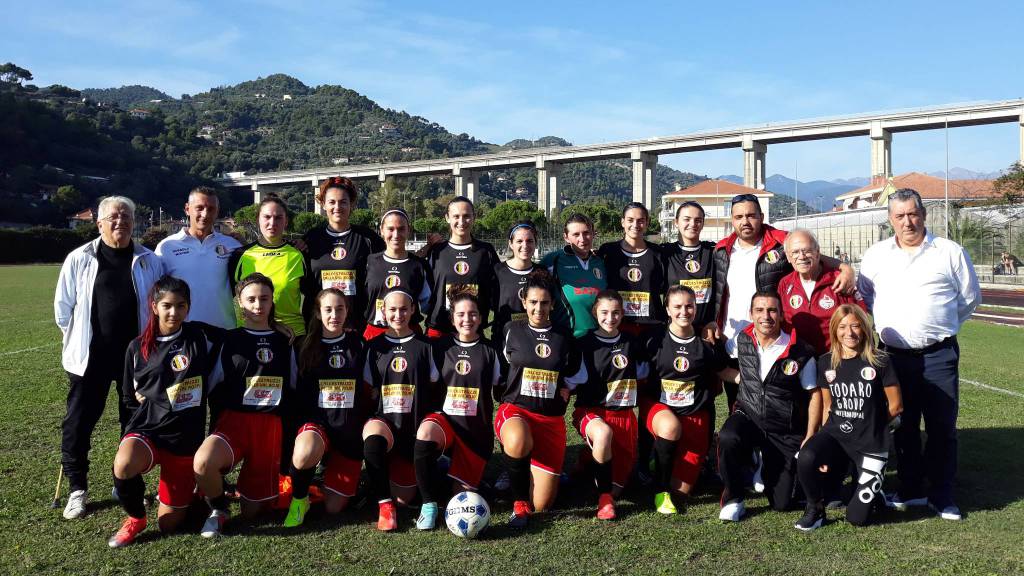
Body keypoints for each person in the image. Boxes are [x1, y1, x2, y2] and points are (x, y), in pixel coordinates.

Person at [857, 188, 980, 521]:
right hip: (893, 357)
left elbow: (969, 299)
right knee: (904, 424)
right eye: (900, 216)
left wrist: (938, 327)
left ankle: (942, 494)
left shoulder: (949, 252)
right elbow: (867, 295)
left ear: (924, 214)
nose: (907, 221)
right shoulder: (876, 255)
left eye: (913, 214)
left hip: (938, 355)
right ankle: (911, 487)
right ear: (890, 220)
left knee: (942, 427)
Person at [54, 195, 164, 519]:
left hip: (135, 361)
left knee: (132, 423)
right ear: (99, 223)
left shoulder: (149, 260)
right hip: (90, 360)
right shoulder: (79, 258)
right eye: (113, 217)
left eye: (126, 217)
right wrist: (79, 343)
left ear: (135, 222)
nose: (120, 222)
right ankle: (78, 488)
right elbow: (63, 311)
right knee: (78, 424)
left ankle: (124, 481)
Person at [107, 276, 223, 547]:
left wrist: (274, 325)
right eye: (167, 305)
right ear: (154, 306)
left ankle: (193, 493)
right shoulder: (137, 347)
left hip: (184, 438)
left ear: (188, 307)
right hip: (148, 428)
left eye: (181, 305)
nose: (174, 312)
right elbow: (127, 396)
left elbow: (239, 339)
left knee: (169, 524)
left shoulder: (200, 335)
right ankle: (135, 518)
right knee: (123, 464)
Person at [711, 194, 854, 408]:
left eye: (751, 215)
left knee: (781, 402)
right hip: (733, 340)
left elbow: (811, 255)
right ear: (731, 219)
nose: (745, 221)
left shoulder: (780, 242)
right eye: (738, 216)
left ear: (761, 216)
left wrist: (844, 267)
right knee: (739, 404)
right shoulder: (721, 250)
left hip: (773, 341)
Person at [193, 273, 298, 537]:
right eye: (251, 299)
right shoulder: (229, 340)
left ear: (272, 301)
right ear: (239, 302)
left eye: (264, 298)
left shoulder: (286, 340)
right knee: (203, 463)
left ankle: (249, 487)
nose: (258, 305)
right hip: (234, 422)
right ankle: (219, 509)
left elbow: (295, 385)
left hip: (269, 428)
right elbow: (210, 382)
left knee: (253, 513)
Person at [794, 304, 903, 531]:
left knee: (856, 518)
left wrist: (871, 425)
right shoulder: (826, 362)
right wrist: (820, 443)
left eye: (855, 326)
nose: (849, 332)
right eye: (842, 327)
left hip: (870, 442)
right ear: (834, 330)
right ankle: (815, 510)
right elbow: (828, 406)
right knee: (806, 456)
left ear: (864, 328)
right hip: (838, 436)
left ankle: (875, 491)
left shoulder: (880, 360)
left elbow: (896, 406)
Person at [717, 291, 820, 521]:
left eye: (772, 310)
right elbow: (721, 368)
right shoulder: (741, 340)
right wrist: (742, 378)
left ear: (782, 314)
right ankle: (734, 498)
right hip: (749, 415)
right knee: (728, 437)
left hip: (783, 427)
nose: (766, 316)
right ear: (751, 314)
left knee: (783, 503)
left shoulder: (800, 351)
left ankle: (764, 466)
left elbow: (814, 395)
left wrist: (810, 434)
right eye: (760, 310)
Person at [495, 270, 581, 528]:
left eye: (544, 303)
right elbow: (502, 368)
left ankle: (529, 469)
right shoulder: (511, 330)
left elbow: (577, 373)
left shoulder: (564, 337)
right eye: (533, 302)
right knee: (519, 439)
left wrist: (567, 388)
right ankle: (518, 503)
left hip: (550, 419)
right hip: (516, 410)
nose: (539, 308)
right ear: (524, 302)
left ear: (553, 304)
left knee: (542, 505)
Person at [413, 286, 501, 530]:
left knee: (458, 497)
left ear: (481, 318)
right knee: (425, 433)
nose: (467, 319)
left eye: (473, 314)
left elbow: (501, 389)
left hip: (475, 432)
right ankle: (428, 505)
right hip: (445, 423)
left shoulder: (491, 350)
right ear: (452, 319)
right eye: (461, 314)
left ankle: (445, 469)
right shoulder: (438, 347)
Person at [283, 288, 369, 528]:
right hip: (318, 425)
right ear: (318, 314)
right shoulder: (303, 346)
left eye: (339, 309)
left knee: (333, 508)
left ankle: (322, 480)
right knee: (304, 452)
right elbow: (293, 390)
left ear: (347, 311)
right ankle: (299, 499)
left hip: (348, 430)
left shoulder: (359, 343)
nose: (334, 315)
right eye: (328, 310)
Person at [642, 285, 726, 515]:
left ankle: (660, 460)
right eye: (677, 306)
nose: (684, 311)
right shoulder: (654, 339)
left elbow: (724, 371)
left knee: (683, 490)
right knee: (670, 427)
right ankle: (660, 492)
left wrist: (756, 380)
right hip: (660, 409)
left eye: (689, 306)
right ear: (667, 309)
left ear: (696, 308)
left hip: (695, 415)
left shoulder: (705, 344)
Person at [362, 290, 440, 531]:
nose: (398, 314)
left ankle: (435, 470)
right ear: (382, 311)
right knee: (372, 434)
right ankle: (385, 507)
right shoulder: (374, 347)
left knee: (405, 499)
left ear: (413, 309)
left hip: (415, 427)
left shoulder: (426, 346)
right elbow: (370, 389)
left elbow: (435, 385)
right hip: (387, 424)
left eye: (404, 309)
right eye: (392, 309)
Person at [567, 289, 648, 520]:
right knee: (603, 434)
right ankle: (604, 501)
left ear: (622, 314)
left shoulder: (631, 342)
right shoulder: (584, 344)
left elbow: (644, 370)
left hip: (624, 415)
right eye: (604, 312)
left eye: (615, 313)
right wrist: (564, 388)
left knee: (619, 488)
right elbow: (572, 378)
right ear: (595, 313)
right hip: (592, 412)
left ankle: (586, 463)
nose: (610, 318)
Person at [302, 177, 384, 333]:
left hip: (356, 326)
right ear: (323, 204)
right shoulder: (311, 238)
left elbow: (390, 261)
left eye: (343, 202)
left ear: (352, 204)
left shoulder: (368, 238)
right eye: (332, 202)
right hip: (318, 326)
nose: (337, 207)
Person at [155, 187, 241, 329]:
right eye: (199, 208)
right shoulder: (166, 247)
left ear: (217, 212)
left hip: (224, 332)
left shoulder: (232, 245)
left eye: (211, 209)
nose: (205, 214)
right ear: (187, 209)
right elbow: (156, 293)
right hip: (183, 335)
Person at [228, 194, 308, 337]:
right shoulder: (240, 255)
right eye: (267, 217)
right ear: (258, 219)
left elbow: (313, 299)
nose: (272, 223)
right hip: (251, 334)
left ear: (286, 221)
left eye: (278, 218)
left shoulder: (299, 254)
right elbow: (228, 298)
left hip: (292, 336)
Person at [777, 229, 865, 355]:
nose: (801, 256)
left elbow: (861, 321)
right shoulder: (784, 284)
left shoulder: (839, 280)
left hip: (835, 359)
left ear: (817, 252)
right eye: (795, 252)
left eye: (807, 250)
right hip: (800, 361)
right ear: (788, 257)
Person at [423, 197, 499, 338]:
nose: (461, 222)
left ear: (474, 217)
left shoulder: (486, 251)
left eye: (466, 216)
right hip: (439, 329)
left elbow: (498, 289)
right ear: (447, 218)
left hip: (472, 330)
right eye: (456, 216)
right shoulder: (436, 251)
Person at [596, 203, 665, 340]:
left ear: (647, 223)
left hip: (651, 325)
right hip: (617, 324)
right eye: (630, 220)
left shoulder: (658, 253)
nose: (635, 224)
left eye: (641, 221)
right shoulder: (608, 251)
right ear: (622, 222)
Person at [363, 209, 432, 340]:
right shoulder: (369, 262)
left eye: (401, 229)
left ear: (408, 231)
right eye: (391, 229)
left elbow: (428, 305)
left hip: (410, 334)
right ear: (382, 231)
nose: (396, 234)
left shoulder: (418, 265)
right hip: (376, 333)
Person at [541, 213, 608, 338]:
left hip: (600, 337)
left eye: (586, 233)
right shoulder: (552, 260)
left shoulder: (601, 261)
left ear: (593, 233)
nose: (582, 239)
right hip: (565, 337)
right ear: (566, 237)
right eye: (576, 234)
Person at [662, 201, 716, 336]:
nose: (693, 224)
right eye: (687, 219)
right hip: (675, 331)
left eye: (698, 220)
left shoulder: (714, 252)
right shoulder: (665, 253)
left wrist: (715, 321)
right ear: (676, 222)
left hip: (708, 331)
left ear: (703, 223)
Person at [492, 221, 537, 341]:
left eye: (530, 241)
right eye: (519, 241)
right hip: (503, 340)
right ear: (510, 244)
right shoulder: (497, 272)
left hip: (534, 340)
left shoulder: (541, 272)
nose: (525, 245)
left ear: (535, 243)